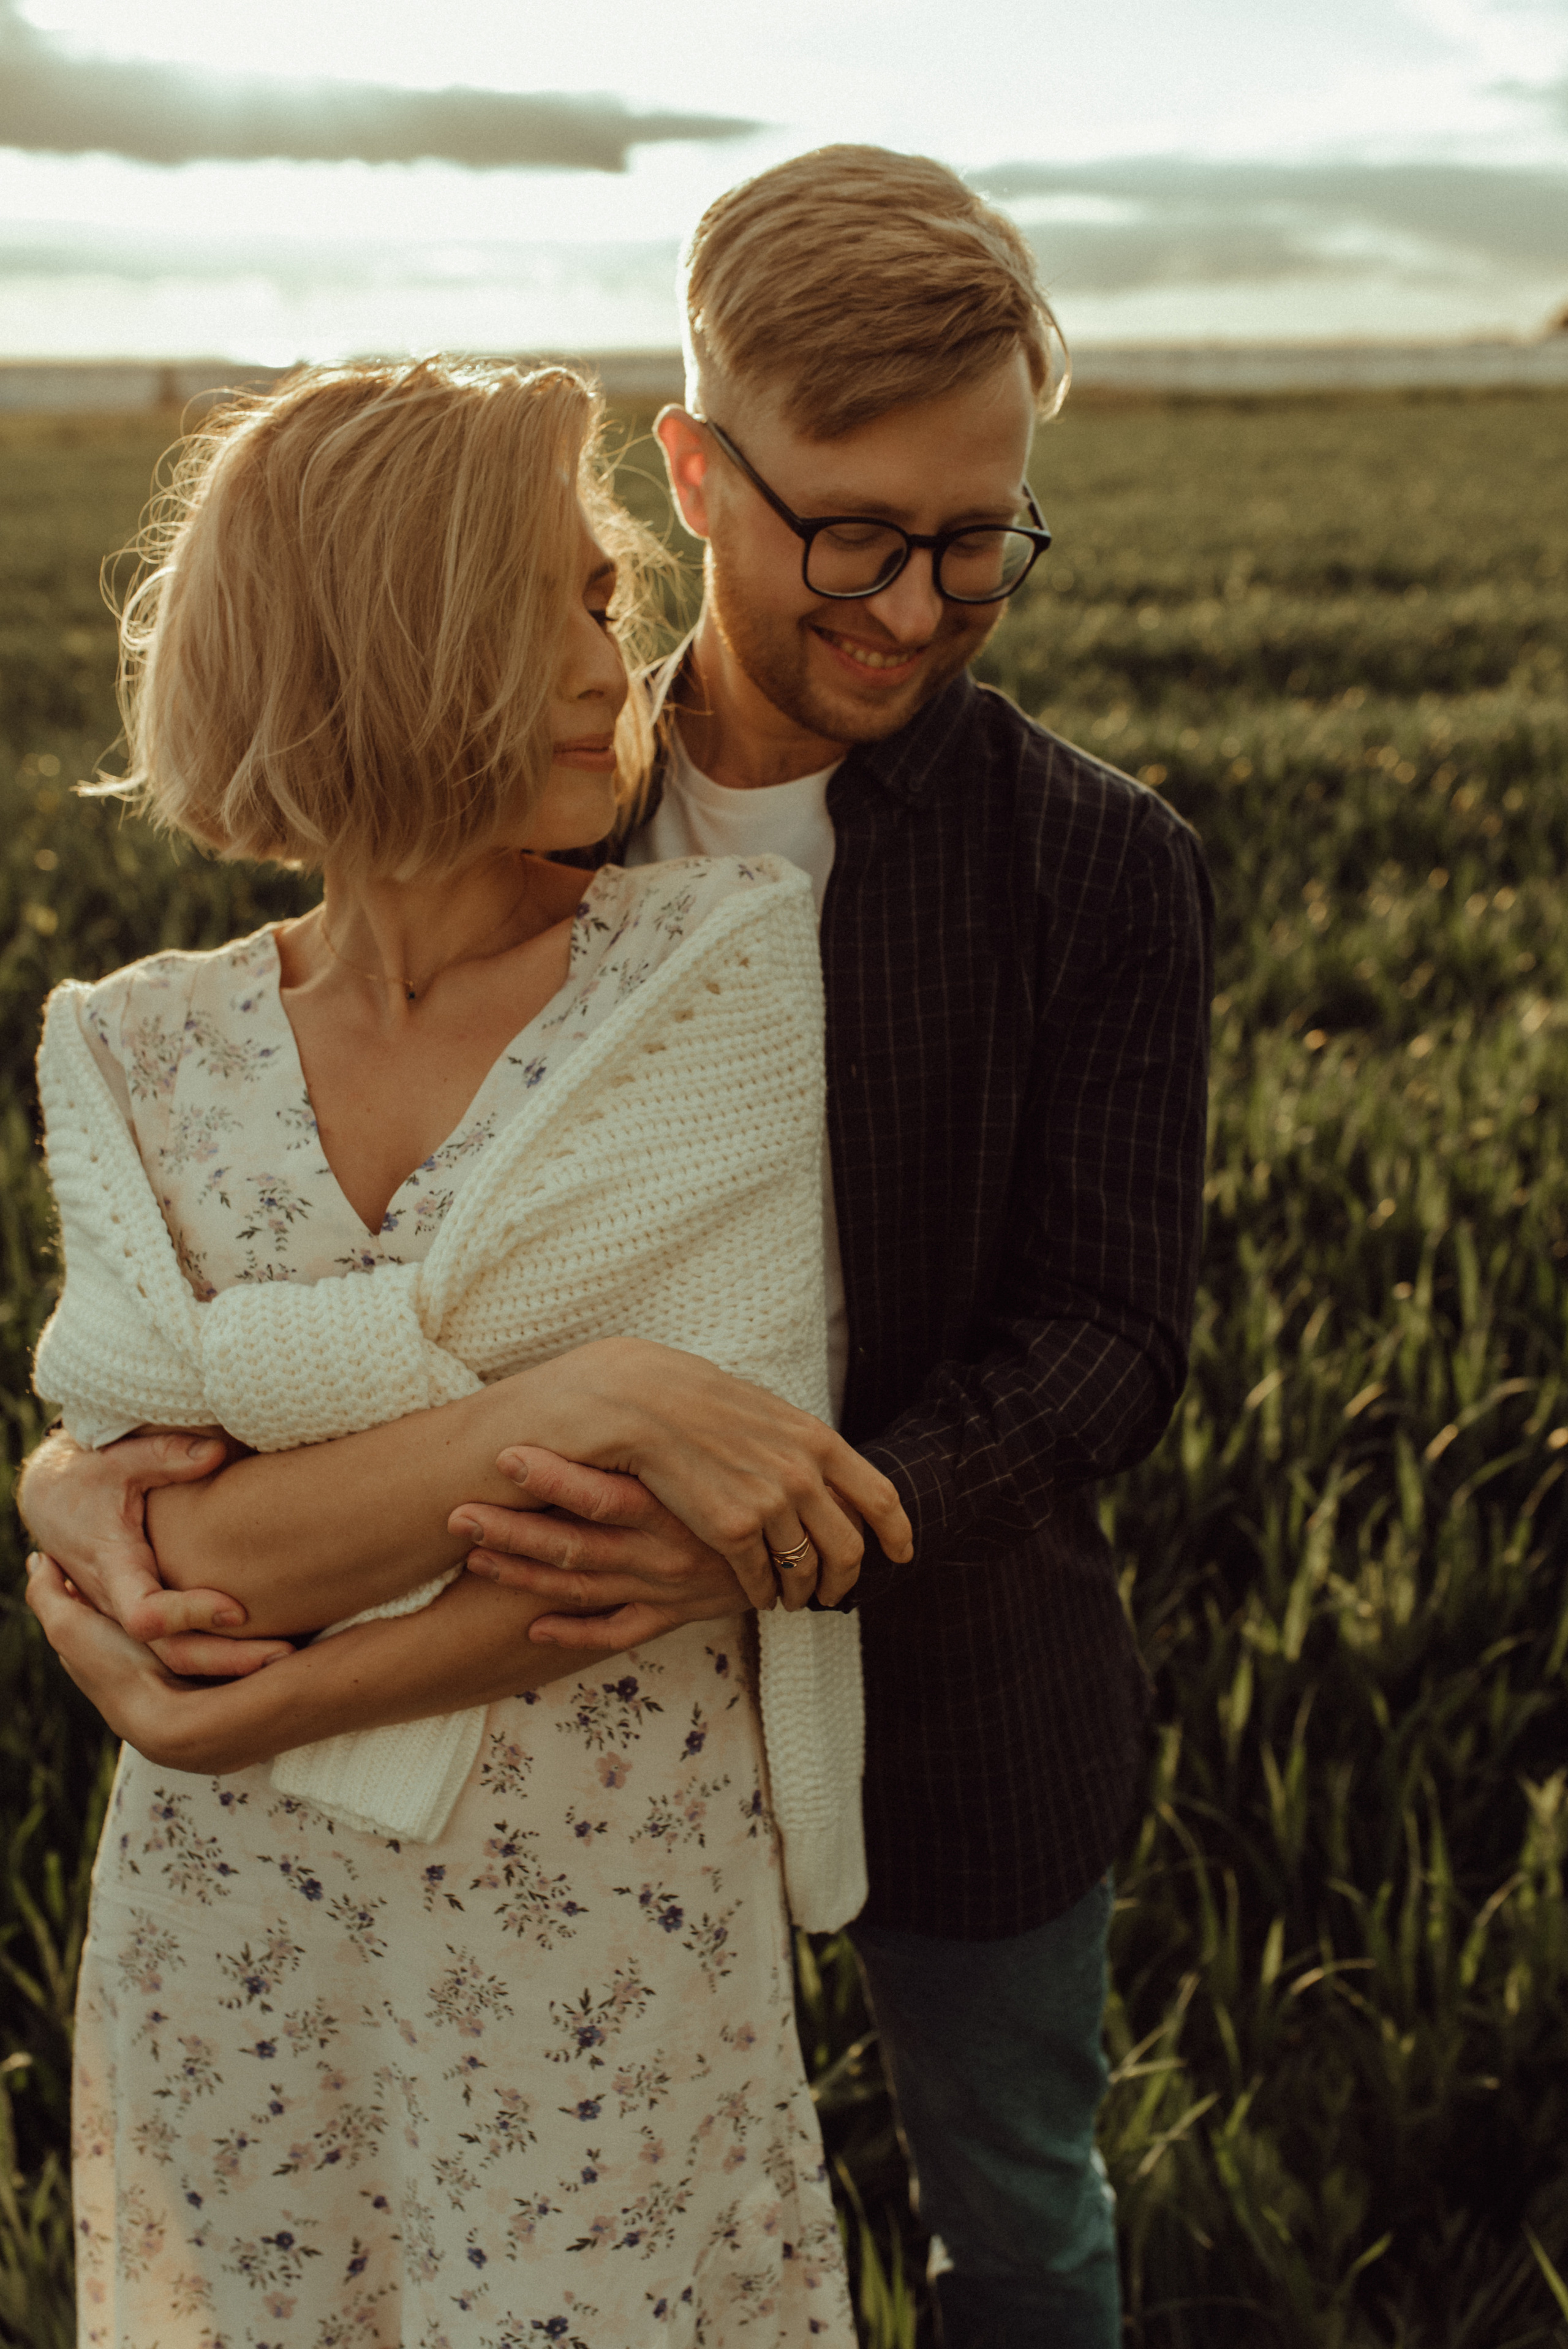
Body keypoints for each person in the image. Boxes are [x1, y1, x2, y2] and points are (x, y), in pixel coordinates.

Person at [24, 147, 1215, 2348]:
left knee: (1020, 2213)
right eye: (853, 531)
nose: (916, 600)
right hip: (566, 1777)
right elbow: (276, 1238)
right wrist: (77, 1481)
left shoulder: (1102, 866)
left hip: (960, 1692)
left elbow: (1111, 1336)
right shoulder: (527, 784)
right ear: (696, 467)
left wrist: (767, 1532)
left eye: (982, 539)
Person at [23, 352, 898, 2348]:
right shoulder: (134, 1047)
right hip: (239, 1928)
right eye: (574, 601)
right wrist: (574, 1399)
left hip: (596, 1908)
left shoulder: (711, 976)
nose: (632, 655)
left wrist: (236, 1703)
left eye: (618, 595)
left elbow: (637, 1549)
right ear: (392, 635)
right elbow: (173, 1539)